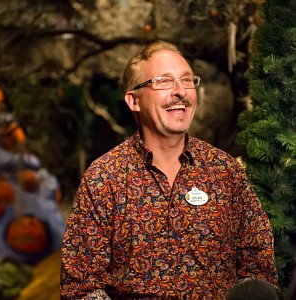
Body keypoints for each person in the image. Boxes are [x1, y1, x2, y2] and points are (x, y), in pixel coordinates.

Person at [60, 40, 278, 299]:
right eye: (163, 81)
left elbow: (259, 267)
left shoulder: (225, 171)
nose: (180, 91)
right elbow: (80, 286)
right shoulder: (104, 178)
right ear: (134, 101)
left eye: (187, 80)